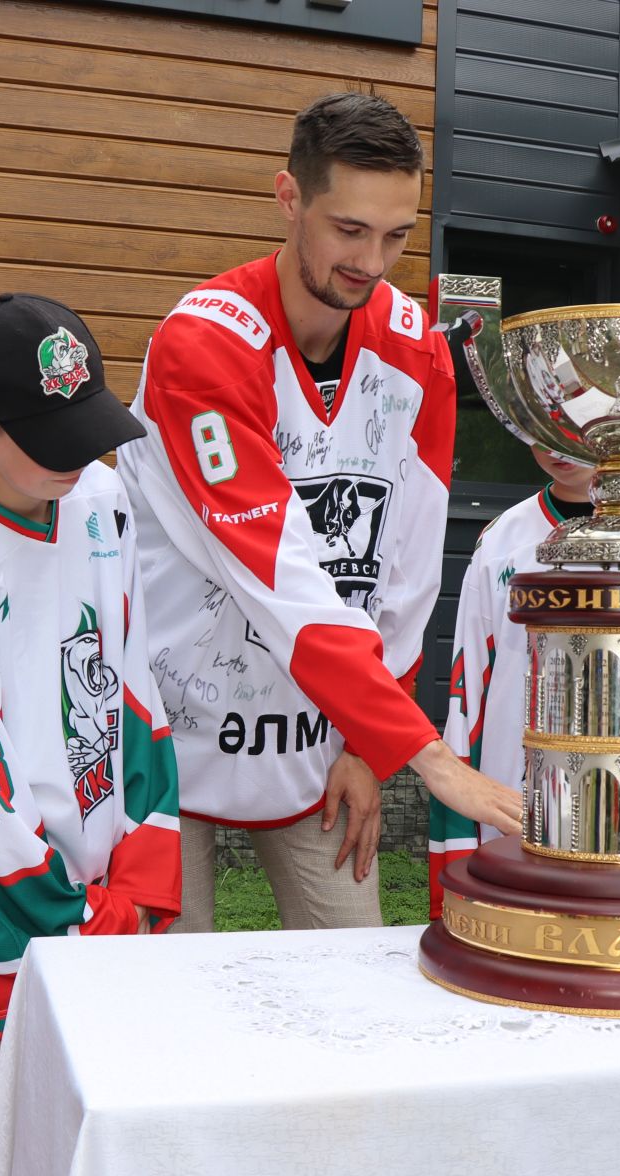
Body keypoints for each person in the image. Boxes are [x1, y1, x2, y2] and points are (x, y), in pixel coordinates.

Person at [117, 91, 519, 933]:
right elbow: (277, 571)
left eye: (397, 236)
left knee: (356, 975)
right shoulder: (202, 343)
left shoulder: (416, 344)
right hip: (171, 722)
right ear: (289, 198)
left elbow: (408, 570)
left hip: (319, 734)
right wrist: (424, 752)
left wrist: (368, 744)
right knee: (160, 1002)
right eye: (348, 229)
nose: (372, 261)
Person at [0, 293, 181, 1176]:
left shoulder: (98, 494)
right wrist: (63, 903)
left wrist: (143, 851)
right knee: (15, 1094)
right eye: (49, 436)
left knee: (117, 1086)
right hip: (16, 886)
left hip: (114, 866)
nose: (78, 453)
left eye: (86, 427)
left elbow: (133, 672)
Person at [425, 446, 620, 915]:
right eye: (538, 424)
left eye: (572, 419)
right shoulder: (502, 538)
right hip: (528, 800)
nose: (552, 445)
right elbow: (468, 691)